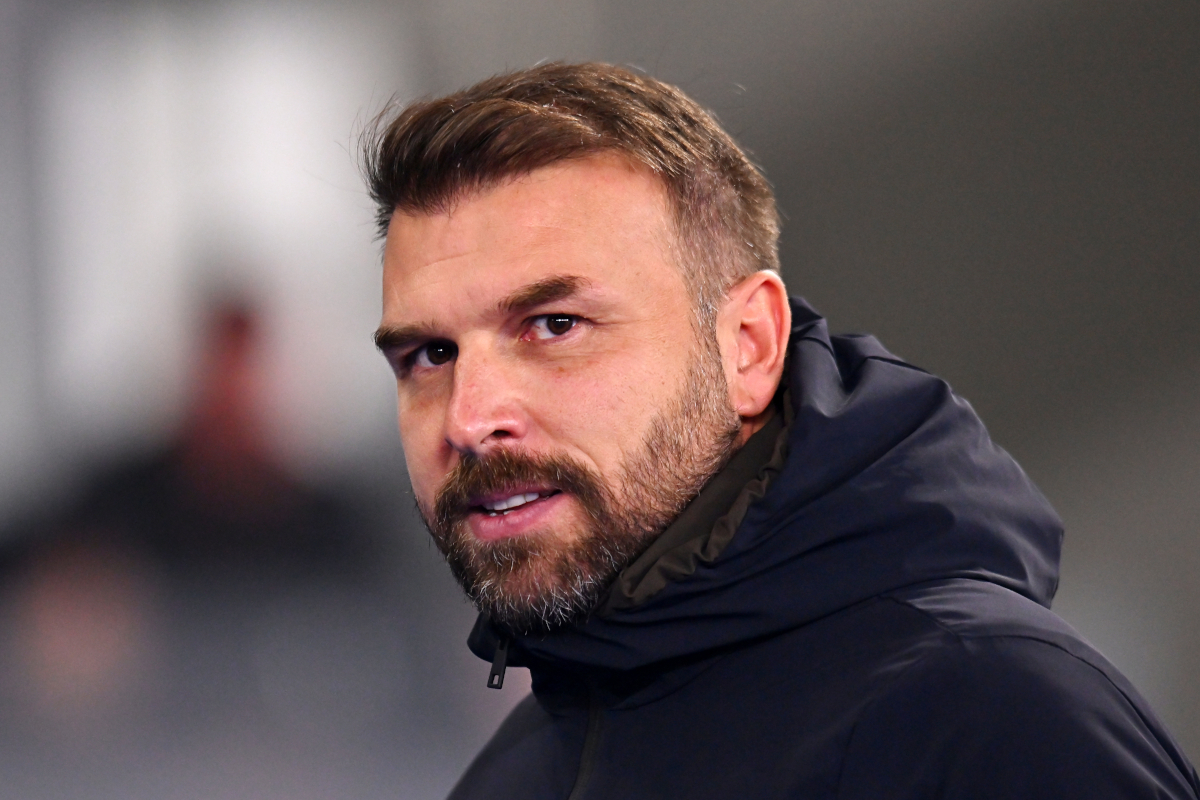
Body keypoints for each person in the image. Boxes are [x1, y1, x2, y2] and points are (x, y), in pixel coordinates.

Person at [363, 62, 1199, 799]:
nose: (471, 419)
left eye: (553, 326)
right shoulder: (520, 770)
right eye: (430, 354)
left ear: (749, 346)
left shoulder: (996, 717)